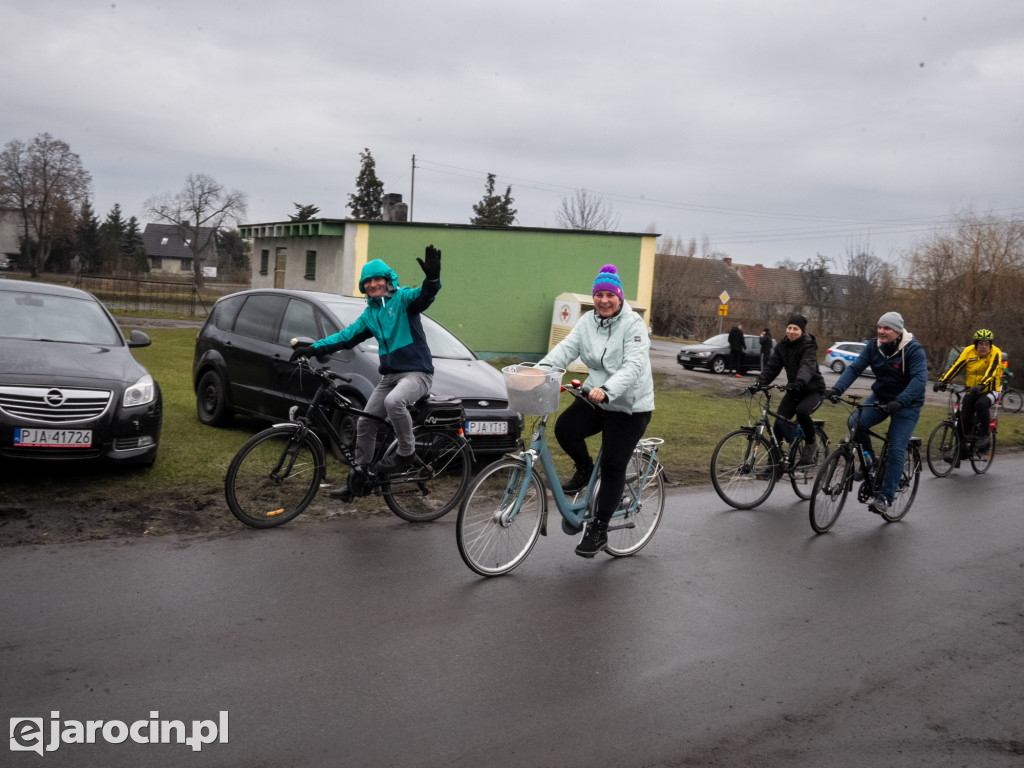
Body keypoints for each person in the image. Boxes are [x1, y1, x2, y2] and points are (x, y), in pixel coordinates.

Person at [290, 245, 442, 498]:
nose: (373, 284)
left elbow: (424, 296)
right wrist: (313, 348)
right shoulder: (370, 315)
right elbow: (346, 337)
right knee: (365, 423)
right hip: (390, 376)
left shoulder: (403, 299)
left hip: (418, 374)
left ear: (388, 280)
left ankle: (406, 450)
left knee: (395, 401)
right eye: (367, 281)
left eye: (377, 279)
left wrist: (433, 279)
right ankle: (359, 480)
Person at [537, 264, 655, 558]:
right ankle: (585, 469)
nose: (604, 300)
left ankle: (599, 528)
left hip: (629, 405)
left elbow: (634, 366)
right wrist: (537, 373)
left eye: (609, 295)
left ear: (619, 297)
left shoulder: (634, 325)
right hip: (596, 395)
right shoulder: (588, 322)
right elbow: (565, 349)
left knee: (614, 465)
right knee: (565, 429)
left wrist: (609, 390)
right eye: (599, 295)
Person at [825, 311, 928, 516]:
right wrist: (838, 389)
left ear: (897, 331)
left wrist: (900, 401)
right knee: (856, 422)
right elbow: (855, 369)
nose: (881, 331)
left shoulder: (914, 350)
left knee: (896, 448)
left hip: (907, 404)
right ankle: (869, 460)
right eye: (879, 327)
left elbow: (919, 380)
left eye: (886, 328)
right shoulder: (874, 346)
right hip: (881, 397)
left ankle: (886, 497)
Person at [748, 314, 825, 466]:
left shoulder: (808, 346)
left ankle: (811, 444)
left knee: (802, 412)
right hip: (794, 390)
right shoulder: (782, 346)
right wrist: (758, 384)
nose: (791, 331)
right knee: (778, 425)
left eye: (795, 329)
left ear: (802, 331)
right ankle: (774, 466)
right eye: (789, 328)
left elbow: (807, 366)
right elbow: (772, 367)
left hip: (812, 390)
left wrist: (800, 381)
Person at [933, 329, 1003, 454]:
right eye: (981, 343)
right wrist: (943, 381)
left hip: (991, 390)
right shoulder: (968, 351)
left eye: (987, 344)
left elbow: (992, 371)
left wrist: (982, 385)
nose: (984, 347)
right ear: (976, 344)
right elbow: (956, 367)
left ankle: (984, 435)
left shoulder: (996, 352)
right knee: (963, 418)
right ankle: (962, 450)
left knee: (981, 404)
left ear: (990, 345)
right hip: (972, 390)